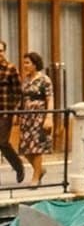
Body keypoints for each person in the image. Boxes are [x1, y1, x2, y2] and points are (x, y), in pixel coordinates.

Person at [19, 51, 53, 186]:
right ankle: (40, 169)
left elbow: (50, 99)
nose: (25, 65)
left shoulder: (44, 80)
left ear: (35, 64)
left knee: (36, 147)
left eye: (27, 63)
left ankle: (35, 177)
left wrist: (49, 117)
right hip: (27, 116)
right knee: (25, 149)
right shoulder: (26, 79)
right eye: (24, 63)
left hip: (39, 116)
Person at [0, 40, 24, 183]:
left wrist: (16, 113)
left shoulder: (10, 68)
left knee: (2, 142)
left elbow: (18, 93)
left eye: (1, 51)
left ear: (4, 52)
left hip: (5, 112)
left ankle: (18, 166)